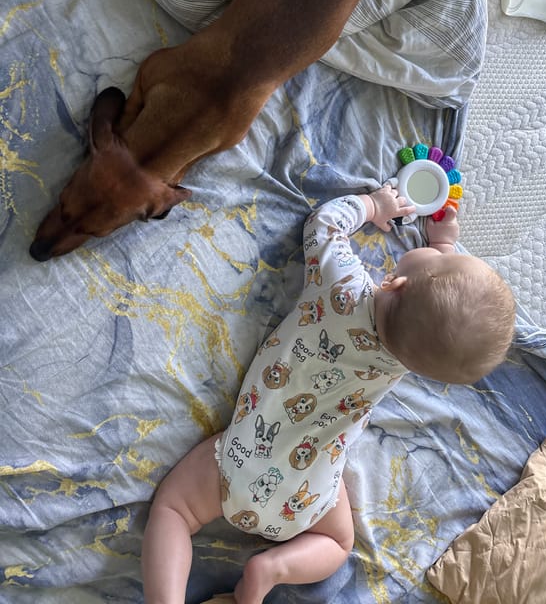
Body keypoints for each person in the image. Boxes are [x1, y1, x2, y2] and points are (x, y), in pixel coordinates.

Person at [142, 185, 516, 604]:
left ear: (394, 283)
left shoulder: (343, 287)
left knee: (174, 510)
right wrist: (442, 245)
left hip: (244, 460)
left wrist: (374, 205)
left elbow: (324, 224)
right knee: (339, 544)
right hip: (309, 493)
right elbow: (437, 323)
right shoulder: (406, 360)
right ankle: (271, 568)